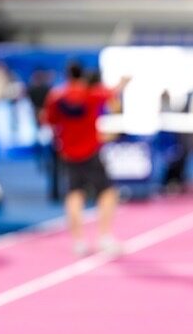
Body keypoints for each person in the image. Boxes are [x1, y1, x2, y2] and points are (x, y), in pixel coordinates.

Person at [41, 62, 129, 256]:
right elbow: (111, 94)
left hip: (68, 153)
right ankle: (104, 237)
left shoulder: (56, 97)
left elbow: (48, 120)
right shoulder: (89, 93)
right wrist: (123, 83)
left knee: (74, 194)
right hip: (90, 151)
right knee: (107, 193)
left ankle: (78, 242)